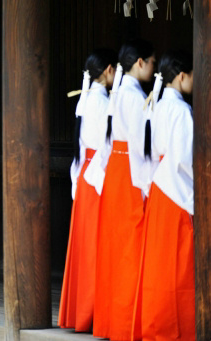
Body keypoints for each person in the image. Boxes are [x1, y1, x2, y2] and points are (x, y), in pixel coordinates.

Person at [90, 39, 155, 340]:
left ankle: (112, 320)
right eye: (152, 63)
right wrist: (147, 185)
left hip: (116, 168)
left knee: (117, 247)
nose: (154, 69)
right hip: (130, 169)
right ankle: (127, 320)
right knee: (130, 248)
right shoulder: (133, 95)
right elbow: (140, 145)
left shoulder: (117, 92)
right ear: (139, 63)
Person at [132, 50, 194, 341]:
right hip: (178, 187)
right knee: (179, 263)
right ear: (182, 76)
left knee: (161, 262)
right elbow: (185, 158)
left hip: (160, 185)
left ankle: (159, 323)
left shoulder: (156, 105)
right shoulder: (181, 111)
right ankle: (178, 325)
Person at [58, 49, 117, 332]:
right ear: (108, 70)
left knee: (86, 245)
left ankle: (84, 312)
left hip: (85, 175)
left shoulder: (88, 99)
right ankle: (92, 312)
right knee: (95, 245)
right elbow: (103, 146)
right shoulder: (102, 100)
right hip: (97, 176)